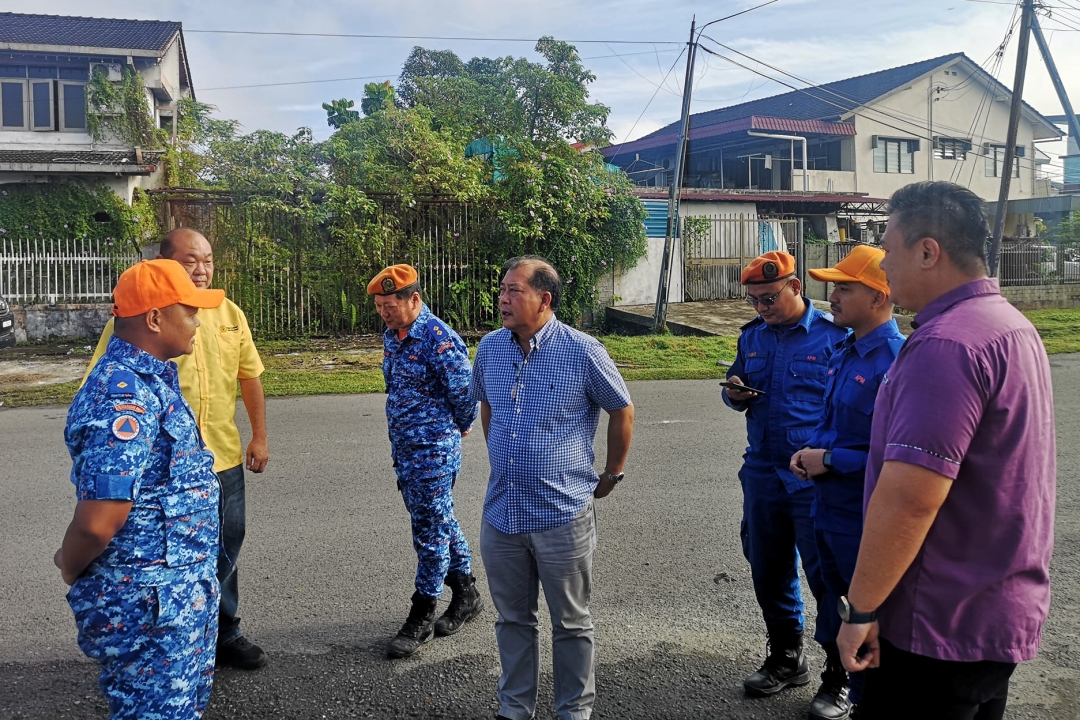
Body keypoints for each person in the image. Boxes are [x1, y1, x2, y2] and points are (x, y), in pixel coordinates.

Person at [836, 182, 1057, 719]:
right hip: (991, 608)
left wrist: (860, 610)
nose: (884, 265)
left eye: (888, 249)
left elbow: (911, 498)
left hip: (934, 624)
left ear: (928, 251)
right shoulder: (1010, 326)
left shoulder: (945, 345)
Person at [83, 228, 270, 670]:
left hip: (221, 458)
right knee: (169, 555)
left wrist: (258, 436)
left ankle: (224, 631)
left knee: (226, 543)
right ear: (167, 263)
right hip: (166, 468)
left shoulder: (227, 312)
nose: (201, 268)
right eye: (190, 260)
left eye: (207, 259)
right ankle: (172, 639)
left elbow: (250, 376)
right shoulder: (138, 318)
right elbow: (102, 391)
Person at [57, 259, 225, 718]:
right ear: (154, 318)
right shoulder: (123, 397)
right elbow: (97, 523)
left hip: (176, 596)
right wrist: (70, 567)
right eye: (188, 311)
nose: (197, 321)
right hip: (149, 607)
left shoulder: (153, 382)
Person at [469, 255, 634, 720]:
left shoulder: (582, 350)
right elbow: (489, 407)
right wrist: (506, 459)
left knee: (571, 623)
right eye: (502, 289)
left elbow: (622, 408)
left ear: (544, 299)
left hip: (562, 513)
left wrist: (611, 474)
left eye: (514, 290)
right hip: (501, 514)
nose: (502, 298)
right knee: (513, 620)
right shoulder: (491, 349)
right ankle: (515, 708)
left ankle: (573, 712)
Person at [722, 250, 847, 698]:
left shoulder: (835, 336)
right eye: (755, 300)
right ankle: (787, 657)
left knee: (828, 577)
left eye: (770, 297)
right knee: (768, 568)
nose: (762, 308)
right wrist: (735, 394)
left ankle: (840, 673)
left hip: (813, 479)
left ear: (795, 287)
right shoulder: (753, 337)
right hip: (762, 471)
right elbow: (736, 387)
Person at [789, 246, 905, 719]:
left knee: (872, 617)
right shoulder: (845, 348)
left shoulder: (897, 361)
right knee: (832, 605)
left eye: (844, 287)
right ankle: (841, 684)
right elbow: (832, 423)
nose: (831, 296)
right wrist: (809, 454)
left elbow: (896, 456)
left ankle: (868, 700)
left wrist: (830, 459)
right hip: (826, 508)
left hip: (862, 516)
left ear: (878, 297)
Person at [367, 264, 483, 659]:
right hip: (406, 449)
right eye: (380, 306)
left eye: (391, 305)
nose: (384, 312)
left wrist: (460, 426)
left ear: (414, 299)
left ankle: (422, 611)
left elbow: (465, 394)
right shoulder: (393, 335)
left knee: (429, 531)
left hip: (433, 450)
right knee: (440, 519)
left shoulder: (438, 338)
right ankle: (466, 593)